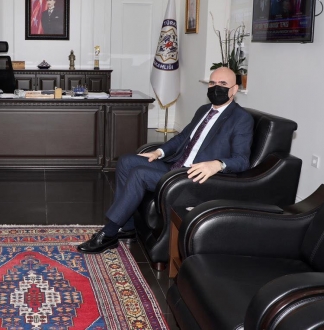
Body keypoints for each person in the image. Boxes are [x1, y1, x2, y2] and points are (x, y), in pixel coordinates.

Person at [77, 67, 254, 254]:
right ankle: (127, 227)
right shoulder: (204, 110)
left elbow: (242, 160)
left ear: (234, 89)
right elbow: (182, 138)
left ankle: (109, 232)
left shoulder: (241, 119)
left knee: (139, 174)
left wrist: (217, 164)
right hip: (177, 166)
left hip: (193, 177)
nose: (216, 88)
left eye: (223, 84)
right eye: (212, 83)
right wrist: (158, 152)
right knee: (126, 161)